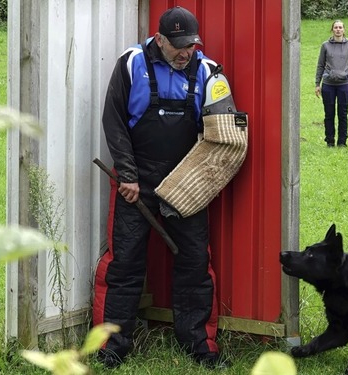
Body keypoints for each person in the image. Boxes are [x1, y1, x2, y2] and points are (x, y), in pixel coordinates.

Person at [93, 6, 228, 369]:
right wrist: (127, 174)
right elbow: (114, 120)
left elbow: (226, 134)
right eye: (179, 46)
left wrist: (203, 181)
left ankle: (200, 344)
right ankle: (111, 345)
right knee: (124, 263)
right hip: (137, 181)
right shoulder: (131, 63)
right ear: (161, 39)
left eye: (192, 45)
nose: (186, 53)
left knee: (196, 263)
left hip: (187, 183)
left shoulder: (210, 72)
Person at [315, 20, 348, 148]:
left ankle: (342, 142)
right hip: (328, 84)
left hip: (345, 84)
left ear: (344, 30)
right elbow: (320, 65)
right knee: (329, 113)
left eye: (340, 27)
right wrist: (317, 84)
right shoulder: (325, 46)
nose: (338, 30)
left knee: (343, 113)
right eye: (335, 27)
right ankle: (329, 140)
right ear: (332, 30)